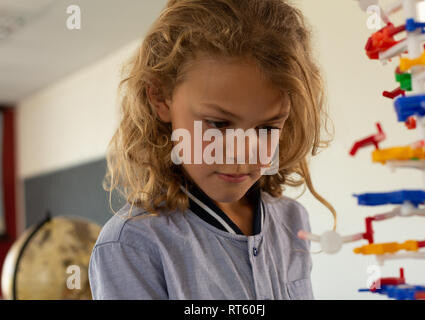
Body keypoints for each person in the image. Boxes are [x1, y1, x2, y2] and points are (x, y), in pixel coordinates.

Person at [88, 0, 337, 300]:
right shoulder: (132, 245)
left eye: (267, 128)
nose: (243, 153)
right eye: (219, 124)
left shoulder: (293, 221)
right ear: (160, 97)